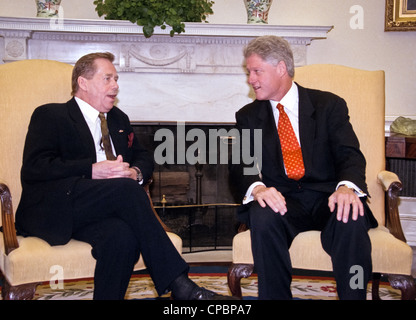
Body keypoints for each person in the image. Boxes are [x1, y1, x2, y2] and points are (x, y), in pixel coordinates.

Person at [15, 52, 233, 300]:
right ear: (83, 83)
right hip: (58, 206)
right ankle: (180, 285)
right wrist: (92, 169)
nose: (116, 85)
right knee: (127, 190)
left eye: (116, 79)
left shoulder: (119, 119)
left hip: (102, 210)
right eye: (107, 78)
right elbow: (35, 167)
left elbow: (144, 156)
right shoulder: (51, 115)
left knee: (122, 237)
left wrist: (135, 171)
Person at [229, 36, 378, 300]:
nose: (250, 79)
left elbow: (350, 154)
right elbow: (241, 164)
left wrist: (346, 187)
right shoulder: (248, 116)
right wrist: (259, 187)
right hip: (284, 200)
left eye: (256, 71)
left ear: (281, 68)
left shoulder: (329, 105)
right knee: (261, 214)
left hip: (327, 197)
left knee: (351, 212)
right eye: (249, 72)